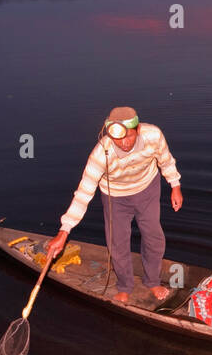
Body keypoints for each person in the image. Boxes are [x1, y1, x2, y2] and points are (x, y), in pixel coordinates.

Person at [45, 106, 183, 303]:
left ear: (138, 130)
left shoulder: (153, 135)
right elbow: (84, 192)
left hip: (148, 188)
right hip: (116, 197)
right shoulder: (101, 154)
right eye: (118, 138)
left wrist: (175, 185)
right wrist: (64, 230)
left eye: (129, 136)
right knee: (117, 242)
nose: (124, 143)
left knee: (154, 236)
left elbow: (166, 160)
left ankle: (152, 281)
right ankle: (125, 285)